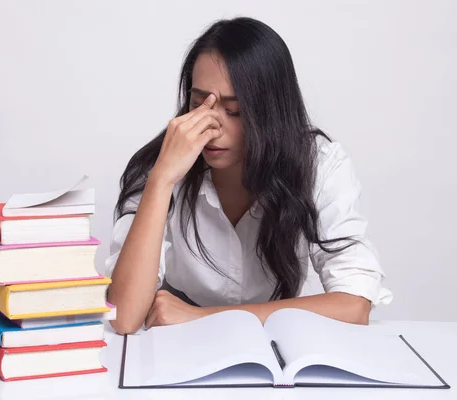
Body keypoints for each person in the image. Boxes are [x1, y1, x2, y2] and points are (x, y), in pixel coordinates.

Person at [104, 17, 392, 335]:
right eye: (199, 104)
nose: (212, 126)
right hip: (175, 350)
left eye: (235, 111)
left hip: (268, 349)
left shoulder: (319, 164)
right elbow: (124, 317)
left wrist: (207, 318)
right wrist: (161, 180)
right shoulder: (163, 164)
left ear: (273, 111)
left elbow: (355, 304)